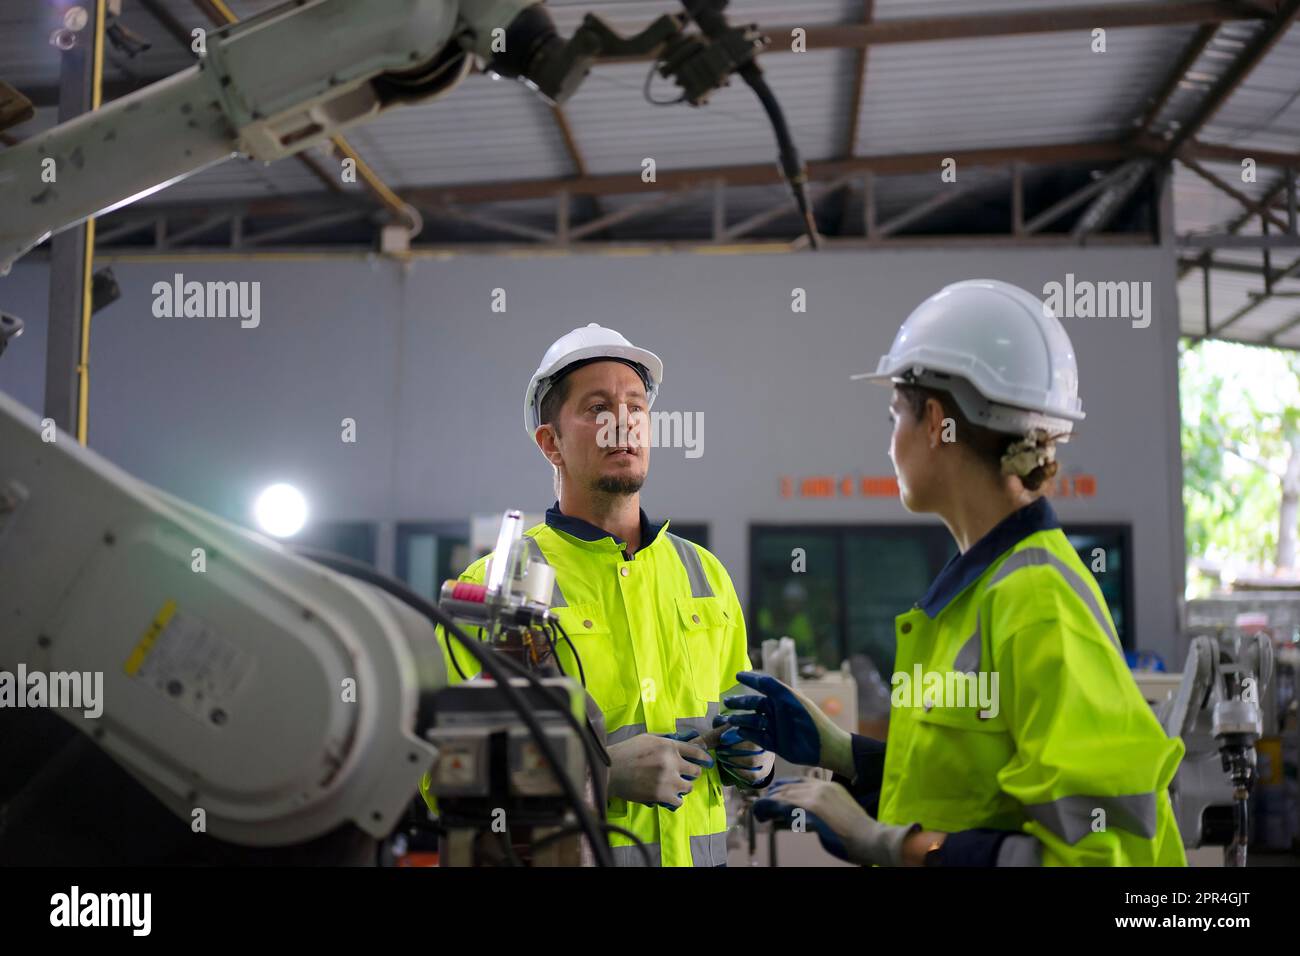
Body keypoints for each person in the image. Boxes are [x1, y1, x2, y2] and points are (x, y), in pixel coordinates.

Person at [719, 279, 1186, 866]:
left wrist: (894, 845)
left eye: (894, 416)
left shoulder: (1038, 602)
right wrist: (847, 753)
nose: (889, 446)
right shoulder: (976, 594)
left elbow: (1101, 858)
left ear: (936, 420)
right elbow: (977, 794)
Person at [423, 323, 773, 866]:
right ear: (550, 443)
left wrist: (758, 757)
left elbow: (739, 716)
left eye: (636, 406)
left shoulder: (704, 574)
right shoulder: (494, 589)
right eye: (596, 408)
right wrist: (596, 774)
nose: (622, 423)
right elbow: (441, 773)